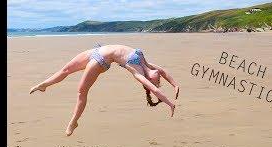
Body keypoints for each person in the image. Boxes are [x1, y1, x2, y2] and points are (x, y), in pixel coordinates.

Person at [29, 44, 180, 136]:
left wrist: (169, 103)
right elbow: (163, 71)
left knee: (81, 91)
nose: (159, 78)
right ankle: (44, 85)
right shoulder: (146, 64)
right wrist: (175, 85)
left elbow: (154, 90)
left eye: (157, 81)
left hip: (100, 61)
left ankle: (74, 122)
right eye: (159, 80)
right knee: (65, 69)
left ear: (148, 83)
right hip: (96, 50)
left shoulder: (138, 72)